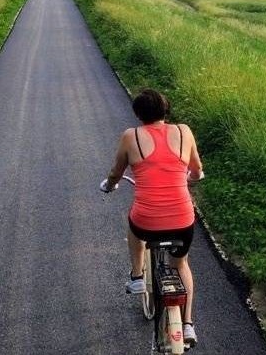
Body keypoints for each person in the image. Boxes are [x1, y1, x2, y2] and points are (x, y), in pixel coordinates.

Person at [101, 88, 204, 347]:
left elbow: (115, 172)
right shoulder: (184, 131)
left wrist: (110, 185)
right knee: (181, 265)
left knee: (134, 224)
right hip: (182, 218)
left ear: (138, 115)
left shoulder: (130, 136)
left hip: (147, 219)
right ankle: (188, 324)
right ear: (166, 109)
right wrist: (192, 178)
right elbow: (196, 169)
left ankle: (137, 277)